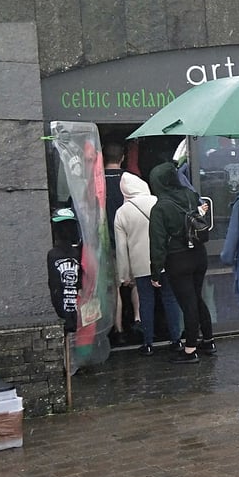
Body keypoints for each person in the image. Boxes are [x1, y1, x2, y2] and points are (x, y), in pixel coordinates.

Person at [148, 161, 215, 364]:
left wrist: (155, 271)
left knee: (188, 303)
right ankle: (209, 340)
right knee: (196, 297)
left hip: (178, 259)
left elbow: (157, 243)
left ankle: (190, 349)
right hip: (199, 255)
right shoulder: (190, 195)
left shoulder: (160, 207)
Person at [113, 171, 185, 357]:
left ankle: (148, 343)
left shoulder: (122, 213)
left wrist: (124, 275)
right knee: (170, 298)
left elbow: (121, 249)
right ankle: (176, 339)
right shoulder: (157, 201)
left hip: (140, 264)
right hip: (164, 260)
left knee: (146, 301)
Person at [102, 143, 136, 343]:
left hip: (108, 241)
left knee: (115, 287)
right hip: (132, 239)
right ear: (122, 157)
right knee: (136, 283)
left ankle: (118, 329)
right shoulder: (131, 180)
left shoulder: (95, 182)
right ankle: (140, 321)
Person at [47, 208, 82, 334]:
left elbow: (54, 285)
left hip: (63, 304)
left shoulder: (53, 255)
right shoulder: (78, 253)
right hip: (77, 304)